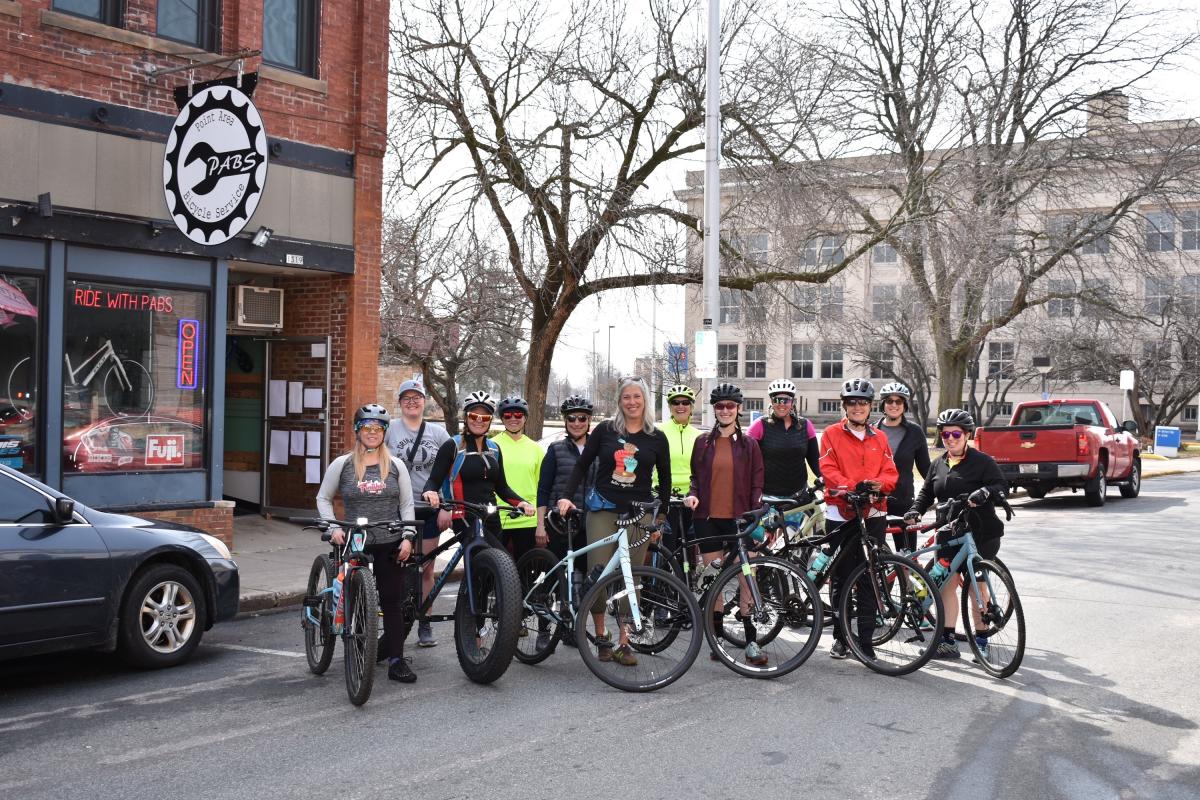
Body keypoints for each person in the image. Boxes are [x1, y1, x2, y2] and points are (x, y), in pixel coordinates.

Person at [557, 376, 671, 668]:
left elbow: (666, 481)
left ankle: (623, 641)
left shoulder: (657, 437)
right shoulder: (606, 431)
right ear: (620, 402)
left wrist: (660, 518)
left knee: (631, 578)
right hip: (603, 510)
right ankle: (601, 635)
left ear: (645, 400)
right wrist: (567, 496)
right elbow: (583, 465)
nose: (631, 402)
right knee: (598, 573)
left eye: (637, 397)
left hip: (638, 514)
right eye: (626, 397)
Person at [316, 404, 419, 683]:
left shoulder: (396, 466)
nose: (372, 433)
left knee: (392, 602)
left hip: (390, 541)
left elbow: (407, 505)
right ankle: (359, 651)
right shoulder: (343, 464)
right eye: (366, 427)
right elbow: (323, 498)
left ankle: (397, 660)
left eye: (378, 428)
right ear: (357, 430)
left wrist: (408, 537)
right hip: (355, 541)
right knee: (358, 600)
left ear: (384, 432)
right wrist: (333, 526)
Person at [905, 409, 1009, 660]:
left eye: (956, 434)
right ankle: (947, 641)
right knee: (946, 587)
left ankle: (981, 641)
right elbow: (926, 494)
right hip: (949, 533)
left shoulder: (982, 461)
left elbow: (1000, 485)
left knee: (976, 589)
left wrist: (984, 492)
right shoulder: (938, 464)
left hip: (980, 533)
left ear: (967, 435)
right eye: (945, 434)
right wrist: (915, 511)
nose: (950, 438)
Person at [682, 383, 766, 666]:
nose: (726, 410)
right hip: (707, 519)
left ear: (739, 409)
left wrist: (754, 513)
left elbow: (757, 483)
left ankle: (751, 641)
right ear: (714, 410)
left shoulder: (749, 444)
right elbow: (695, 478)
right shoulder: (702, 442)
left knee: (747, 580)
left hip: (739, 521)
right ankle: (717, 641)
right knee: (715, 583)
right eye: (720, 406)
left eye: (731, 406)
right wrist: (692, 495)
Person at [818, 378, 899, 662]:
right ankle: (841, 638)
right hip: (841, 512)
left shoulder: (880, 438)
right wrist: (854, 487)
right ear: (844, 406)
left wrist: (877, 485)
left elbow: (891, 472)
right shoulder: (831, 434)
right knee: (840, 576)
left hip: (874, 512)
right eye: (851, 402)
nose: (857, 407)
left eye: (862, 403)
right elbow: (828, 468)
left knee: (869, 576)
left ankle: (865, 641)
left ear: (869, 407)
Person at [385, 379, 451, 648]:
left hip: (428, 509)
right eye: (406, 398)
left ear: (425, 401)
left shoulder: (438, 433)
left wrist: (446, 505)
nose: (412, 402)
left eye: (417, 398)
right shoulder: (389, 429)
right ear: (400, 403)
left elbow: (449, 469)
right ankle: (397, 619)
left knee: (426, 568)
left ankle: (424, 622)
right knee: (399, 566)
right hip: (398, 508)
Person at [422, 391, 535, 545]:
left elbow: (502, 487)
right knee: (486, 560)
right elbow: (434, 480)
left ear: (490, 420)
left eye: (485, 417)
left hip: (491, 517)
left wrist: (521, 503)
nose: (479, 421)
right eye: (474, 416)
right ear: (466, 417)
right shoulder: (453, 446)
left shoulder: (494, 449)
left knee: (501, 563)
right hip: (463, 517)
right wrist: (430, 491)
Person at [535, 395, 596, 648]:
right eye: (571, 418)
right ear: (565, 421)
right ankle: (543, 630)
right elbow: (543, 488)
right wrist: (540, 525)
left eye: (582, 418)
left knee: (580, 577)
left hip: (587, 522)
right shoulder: (556, 449)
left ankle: (570, 625)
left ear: (589, 420)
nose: (577, 422)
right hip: (558, 523)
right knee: (552, 576)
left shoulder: (598, 448)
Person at [875, 382, 931, 552]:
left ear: (904, 405)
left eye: (899, 401)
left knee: (907, 556)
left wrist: (941, 491)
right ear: (883, 404)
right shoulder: (871, 431)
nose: (894, 405)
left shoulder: (915, 432)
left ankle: (905, 579)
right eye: (889, 401)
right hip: (875, 503)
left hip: (903, 502)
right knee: (874, 556)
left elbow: (926, 469)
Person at [491, 396, 544, 566]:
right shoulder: (491, 446)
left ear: (525, 418)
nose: (513, 419)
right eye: (507, 415)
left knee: (524, 573)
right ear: (502, 418)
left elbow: (541, 487)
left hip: (528, 519)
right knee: (494, 573)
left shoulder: (536, 449)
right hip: (498, 518)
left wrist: (541, 523)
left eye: (518, 415)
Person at [747, 378, 820, 497]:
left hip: (798, 493)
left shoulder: (806, 425)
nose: (782, 404)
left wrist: (824, 479)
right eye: (777, 400)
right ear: (771, 401)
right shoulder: (759, 425)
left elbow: (815, 460)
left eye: (786, 400)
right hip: (768, 495)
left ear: (792, 402)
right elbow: (747, 462)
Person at [662, 384, 702, 554]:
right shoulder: (659, 432)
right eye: (675, 402)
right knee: (666, 548)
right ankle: (664, 579)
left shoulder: (699, 435)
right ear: (670, 407)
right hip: (664, 495)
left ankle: (688, 579)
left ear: (691, 407)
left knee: (690, 547)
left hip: (690, 498)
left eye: (685, 402)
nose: (680, 406)